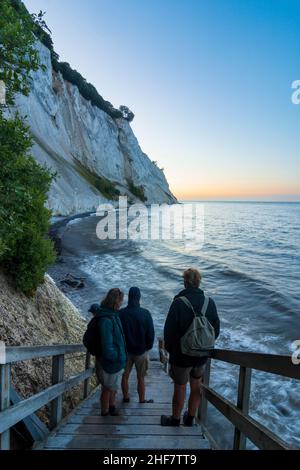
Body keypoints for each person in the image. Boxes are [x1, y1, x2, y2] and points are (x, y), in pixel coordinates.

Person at [161, 268, 220, 427]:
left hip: (182, 356)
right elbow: (216, 330)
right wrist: (203, 345)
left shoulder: (178, 303)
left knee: (180, 387)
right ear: (199, 282)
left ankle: (175, 419)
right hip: (201, 356)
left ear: (185, 283)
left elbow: (169, 331)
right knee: (196, 385)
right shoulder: (210, 302)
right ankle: (190, 418)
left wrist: (171, 350)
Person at [89, 288, 127, 417]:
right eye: (121, 300)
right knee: (107, 388)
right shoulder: (106, 319)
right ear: (115, 302)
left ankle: (112, 407)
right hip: (110, 362)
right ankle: (105, 412)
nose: (122, 303)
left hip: (116, 360)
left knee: (113, 387)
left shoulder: (112, 315)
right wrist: (116, 356)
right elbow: (107, 345)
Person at [119, 287, 155, 403]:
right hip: (141, 351)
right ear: (139, 298)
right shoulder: (145, 313)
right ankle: (142, 399)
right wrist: (148, 347)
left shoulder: (121, 313)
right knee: (141, 377)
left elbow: (118, 333)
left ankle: (126, 397)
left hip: (126, 351)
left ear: (128, 297)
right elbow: (151, 333)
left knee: (125, 376)